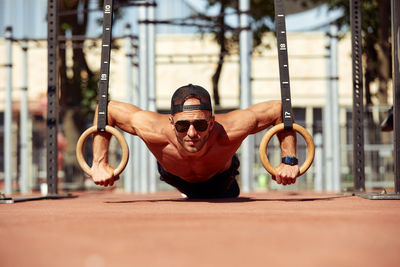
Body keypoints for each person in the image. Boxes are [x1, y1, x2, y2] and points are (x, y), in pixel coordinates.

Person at [91, 84, 299, 198]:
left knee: (228, 197)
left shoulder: (232, 128)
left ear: (211, 123)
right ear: (171, 123)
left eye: (200, 125)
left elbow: (279, 109)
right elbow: (105, 109)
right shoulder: (153, 128)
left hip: (221, 180)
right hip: (174, 175)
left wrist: (288, 160)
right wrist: (100, 162)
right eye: (182, 126)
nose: (191, 133)